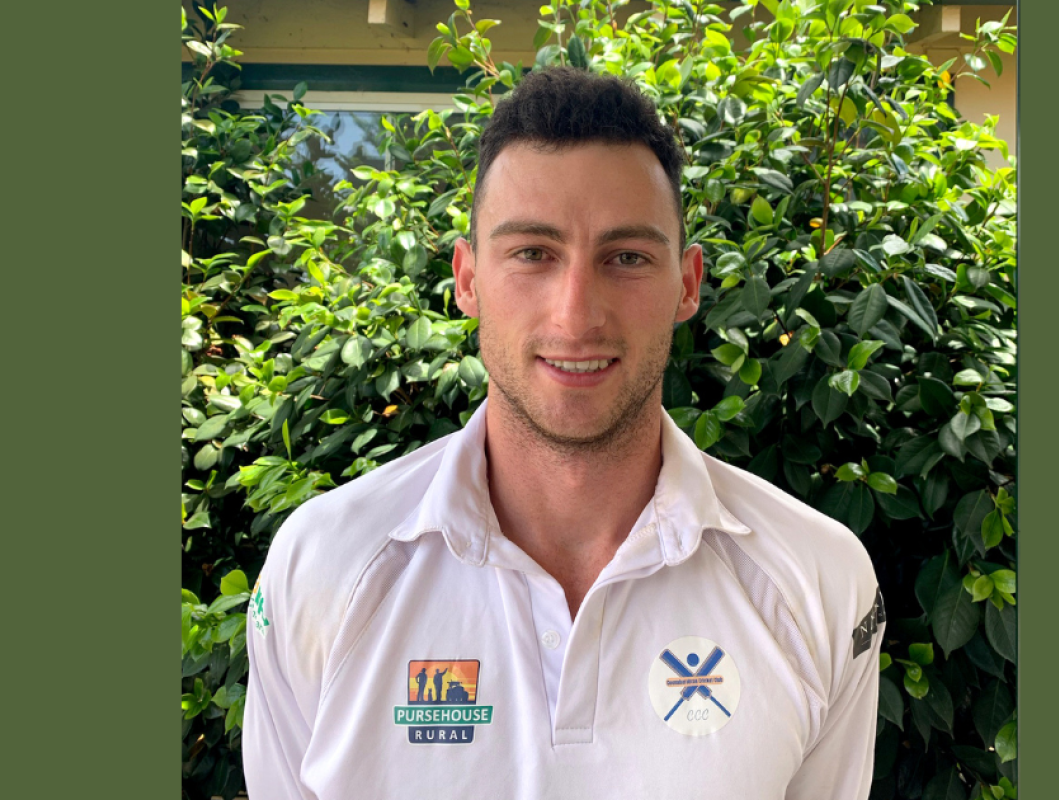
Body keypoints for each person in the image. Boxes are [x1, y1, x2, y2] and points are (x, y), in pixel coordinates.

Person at [245, 66, 884, 799]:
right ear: (467, 278)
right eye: (532, 253)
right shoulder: (323, 565)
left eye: (627, 258)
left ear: (687, 282)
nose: (576, 315)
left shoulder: (819, 580)